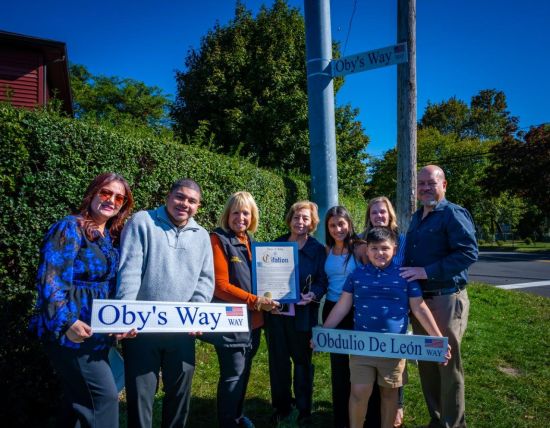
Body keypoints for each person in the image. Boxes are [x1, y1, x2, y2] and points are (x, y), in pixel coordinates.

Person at [29, 172, 134, 427]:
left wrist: (119, 323)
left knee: (79, 403)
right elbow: (50, 279)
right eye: (106, 193)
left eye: (119, 198)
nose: (111, 200)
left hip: (96, 332)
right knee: (104, 399)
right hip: (72, 331)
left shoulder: (110, 236)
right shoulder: (70, 227)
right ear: (93, 193)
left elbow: (112, 286)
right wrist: (67, 322)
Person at [323, 227, 451, 428]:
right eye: (374, 248)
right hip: (362, 347)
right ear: (367, 250)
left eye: (384, 248)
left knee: (389, 395)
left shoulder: (405, 276)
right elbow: (342, 306)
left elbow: (419, 308)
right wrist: (324, 331)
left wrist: (439, 339)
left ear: (394, 249)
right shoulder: (357, 275)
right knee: (358, 393)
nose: (379, 253)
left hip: (394, 349)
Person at [116, 178, 215, 428]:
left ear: (198, 206)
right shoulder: (142, 222)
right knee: (140, 397)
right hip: (141, 329)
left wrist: (195, 314)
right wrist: (124, 315)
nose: (185, 204)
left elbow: (205, 280)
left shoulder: (202, 235)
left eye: (192, 201)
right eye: (180, 197)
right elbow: (129, 271)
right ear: (168, 197)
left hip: (181, 330)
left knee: (180, 394)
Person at [400, 165, 478, 428]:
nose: (424, 188)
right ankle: (437, 419)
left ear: (444, 185)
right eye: (421, 184)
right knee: (427, 362)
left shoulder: (452, 214)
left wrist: (426, 271)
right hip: (421, 302)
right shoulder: (417, 217)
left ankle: (453, 424)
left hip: (445, 299)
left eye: (430, 183)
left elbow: (468, 253)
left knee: (446, 364)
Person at [208, 191, 277, 428]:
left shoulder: (252, 243)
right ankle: (228, 422)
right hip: (232, 321)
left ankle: (237, 416)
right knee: (233, 374)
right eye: (235, 212)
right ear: (227, 214)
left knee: (244, 372)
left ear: (252, 216)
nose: (240, 217)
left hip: (254, 323)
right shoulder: (218, 239)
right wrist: (255, 300)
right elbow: (220, 287)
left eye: (245, 213)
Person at [265, 201, 328, 427]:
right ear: (289, 219)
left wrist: (313, 294)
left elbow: (323, 280)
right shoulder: (275, 245)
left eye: (305, 218)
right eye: (296, 217)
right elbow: (264, 277)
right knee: (278, 362)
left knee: (302, 362)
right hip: (275, 315)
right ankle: (282, 407)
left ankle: (303, 409)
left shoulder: (318, 250)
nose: (300, 222)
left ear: (312, 223)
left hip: (303, 314)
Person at [363, 196, 407, 427]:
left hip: (395, 309)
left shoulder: (403, 241)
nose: (378, 216)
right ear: (368, 217)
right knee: (369, 360)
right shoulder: (363, 242)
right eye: (374, 213)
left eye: (382, 212)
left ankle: (397, 406)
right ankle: (374, 411)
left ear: (390, 214)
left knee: (394, 362)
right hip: (367, 307)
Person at [322, 206, 366, 428]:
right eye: (332, 225)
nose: (337, 229)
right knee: (338, 367)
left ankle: (363, 415)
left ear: (349, 223)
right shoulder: (326, 249)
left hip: (357, 310)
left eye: (341, 224)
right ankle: (341, 418)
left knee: (361, 366)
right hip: (332, 309)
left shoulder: (359, 248)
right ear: (327, 228)